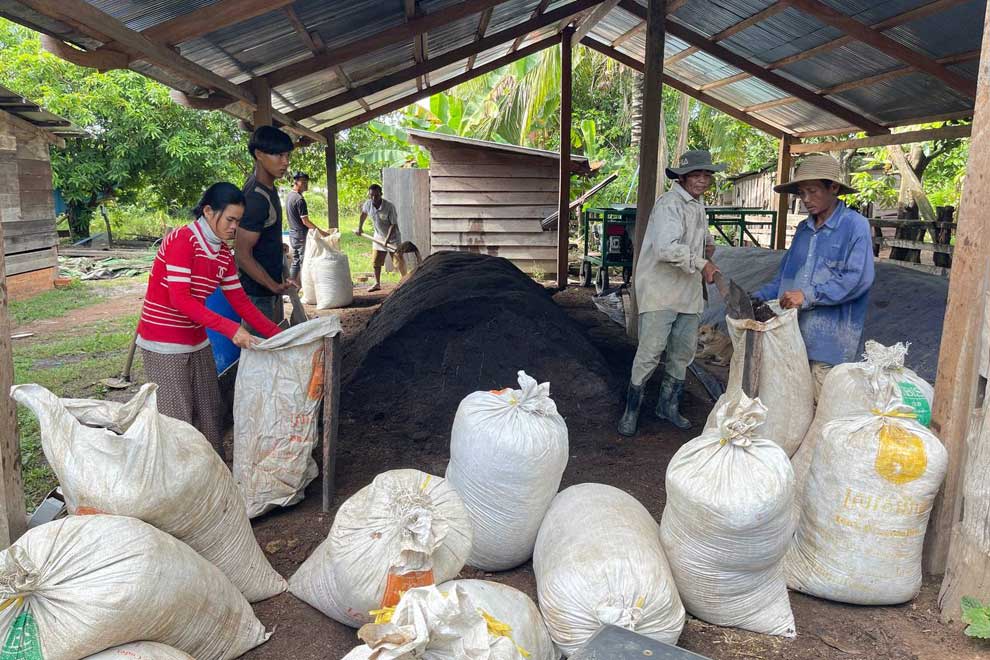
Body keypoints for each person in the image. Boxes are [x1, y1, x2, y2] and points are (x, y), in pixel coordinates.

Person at [137, 182, 282, 455]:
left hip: (196, 337)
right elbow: (180, 300)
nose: (234, 228)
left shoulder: (223, 253)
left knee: (210, 412)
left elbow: (240, 302)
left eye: (238, 221)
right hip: (164, 342)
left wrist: (278, 335)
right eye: (229, 219)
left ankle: (214, 474)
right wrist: (231, 329)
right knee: (178, 419)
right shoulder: (183, 241)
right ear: (208, 211)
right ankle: (185, 483)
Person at [752, 154, 875, 400]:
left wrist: (808, 295)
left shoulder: (855, 226)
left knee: (822, 406)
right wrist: (757, 297)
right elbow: (786, 278)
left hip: (829, 344)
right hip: (794, 339)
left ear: (834, 188)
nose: (806, 200)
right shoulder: (804, 229)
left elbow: (856, 279)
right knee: (792, 406)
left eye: (812, 191)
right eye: (801, 193)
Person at [618, 150, 724, 437]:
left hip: (688, 293)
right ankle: (632, 409)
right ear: (682, 177)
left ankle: (668, 406)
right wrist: (702, 263)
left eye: (707, 175)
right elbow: (666, 248)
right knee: (651, 351)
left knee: (682, 353)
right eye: (697, 175)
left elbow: (698, 236)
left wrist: (708, 244)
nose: (703, 180)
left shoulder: (697, 205)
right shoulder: (669, 204)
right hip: (661, 291)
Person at [237, 125, 294, 329]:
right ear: (259, 154)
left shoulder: (267, 188)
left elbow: (262, 232)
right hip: (257, 293)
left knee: (266, 347)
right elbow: (242, 254)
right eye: (279, 155)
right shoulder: (256, 198)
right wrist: (273, 285)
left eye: (287, 155)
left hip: (266, 289)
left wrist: (275, 246)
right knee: (260, 354)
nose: (285, 162)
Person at [355, 183, 400, 292]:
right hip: (378, 236)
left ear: (381, 194)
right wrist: (360, 228)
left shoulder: (389, 206)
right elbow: (363, 215)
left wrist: (387, 240)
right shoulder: (368, 204)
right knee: (376, 262)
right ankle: (377, 283)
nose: (374, 198)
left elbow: (393, 225)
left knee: (398, 262)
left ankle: (403, 283)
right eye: (371, 196)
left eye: (376, 195)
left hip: (392, 238)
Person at [285, 171, 328, 280]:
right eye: (303, 182)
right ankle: (304, 288)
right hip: (300, 235)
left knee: (296, 261)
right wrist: (321, 232)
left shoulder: (289, 196)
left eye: (306, 182)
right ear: (296, 182)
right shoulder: (299, 200)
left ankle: (292, 286)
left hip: (293, 233)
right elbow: (305, 221)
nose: (306, 185)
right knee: (304, 262)